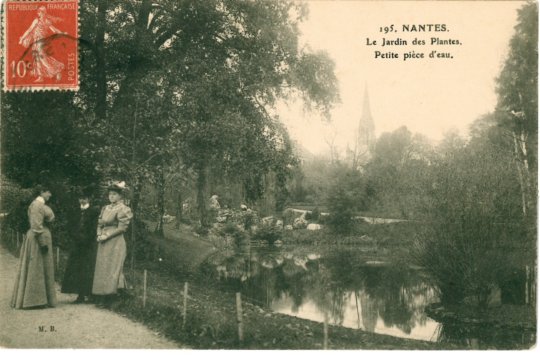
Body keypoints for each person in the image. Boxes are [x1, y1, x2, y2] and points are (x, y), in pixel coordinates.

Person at [11, 185, 56, 309]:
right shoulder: (37, 205)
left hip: (40, 237)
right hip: (38, 239)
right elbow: (36, 226)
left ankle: (41, 299)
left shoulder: (40, 204)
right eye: (48, 192)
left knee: (40, 267)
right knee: (36, 267)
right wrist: (42, 243)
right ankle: (33, 300)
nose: (50, 195)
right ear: (42, 192)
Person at [92, 181, 133, 304]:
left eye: (114, 194)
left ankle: (112, 297)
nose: (111, 196)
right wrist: (99, 234)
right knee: (102, 268)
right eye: (110, 194)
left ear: (120, 196)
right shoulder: (105, 208)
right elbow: (100, 223)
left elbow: (121, 228)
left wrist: (107, 236)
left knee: (113, 268)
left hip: (115, 241)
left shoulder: (124, 209)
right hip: (103, 241)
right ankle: (101, 296)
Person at [61, 187, 100, 303]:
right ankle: (80, 295)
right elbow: (70, 226)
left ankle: (90, 294)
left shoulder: (94, 212)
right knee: (77, 268)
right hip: (77, 244)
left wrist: (86, 239)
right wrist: (76, 237)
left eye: (84, 198)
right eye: (80, 198)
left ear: (89, 199)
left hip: (89, 244)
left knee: (88, 268)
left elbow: (94, 228)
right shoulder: (75, 211)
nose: (82, 201)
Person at [18, 6, 65, 82]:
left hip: (42, 41)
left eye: (41, 12)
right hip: (36, 41)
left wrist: (62, 33)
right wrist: (23, 38)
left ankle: (56, 71)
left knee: (42, 58)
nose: (39, 13)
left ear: (44, 13)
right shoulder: (36, 20)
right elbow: (29, 30)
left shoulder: (47, 21)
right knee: (37, 58)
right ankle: (40, 77)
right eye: (39, 12)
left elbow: (54, 30)